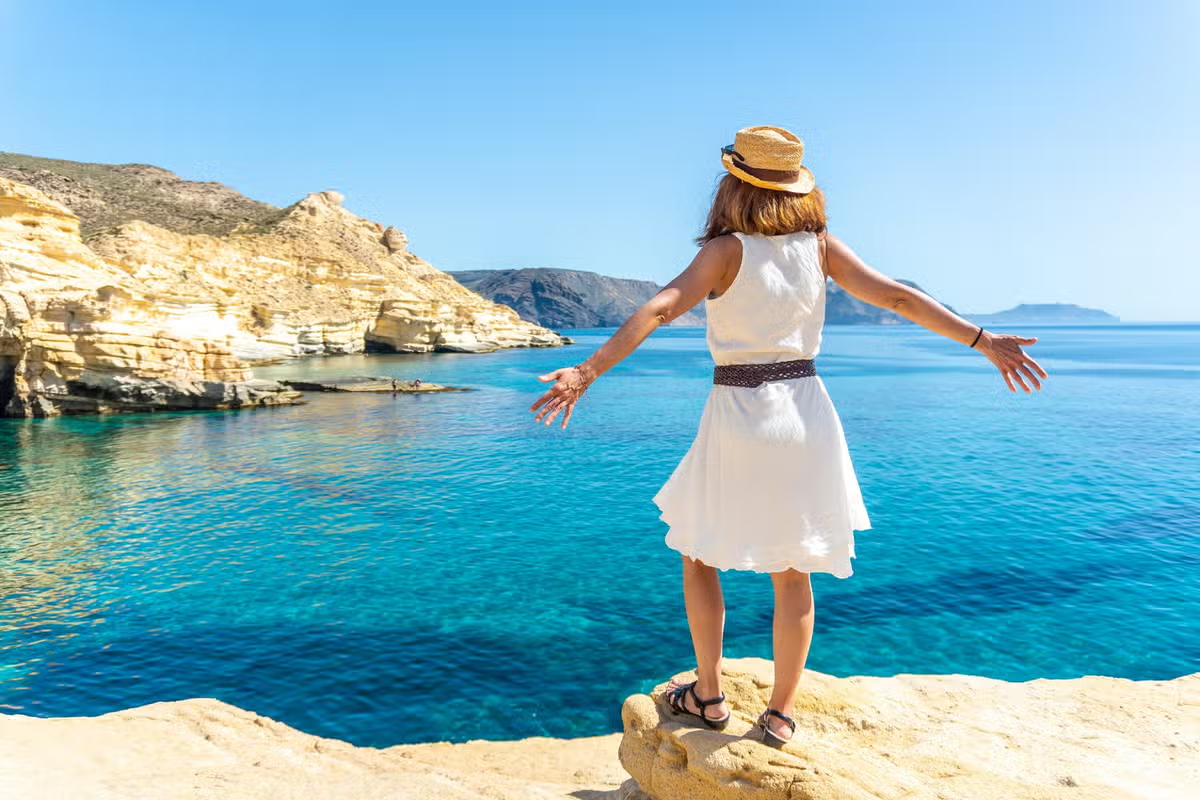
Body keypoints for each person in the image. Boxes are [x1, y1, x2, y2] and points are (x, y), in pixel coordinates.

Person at [528, 125, 1047, 748]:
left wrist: (585, 371)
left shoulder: (725, 251)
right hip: (805, 412)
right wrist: (983, 340)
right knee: (794, 569)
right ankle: (779, 716)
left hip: (739, 411)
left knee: (698, 552)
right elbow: (897, 298)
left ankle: (709, 695)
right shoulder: (820, 247)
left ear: (732, 185)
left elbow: (662, 308)